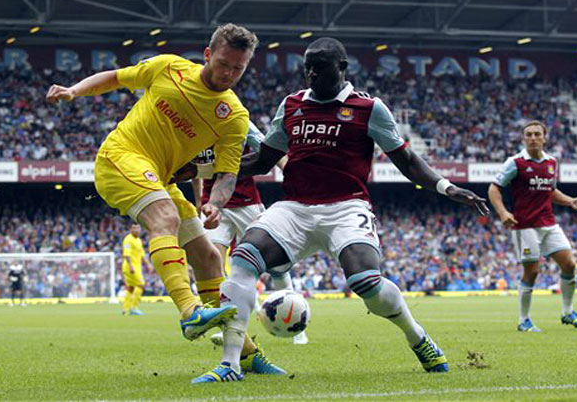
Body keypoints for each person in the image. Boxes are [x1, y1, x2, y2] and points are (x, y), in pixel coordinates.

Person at [191, 37, 490, 383]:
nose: (311, 73)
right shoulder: (291, 105)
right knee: (243, 260)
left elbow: (406, 160)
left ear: (342, 68)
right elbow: (263, 159)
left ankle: (417, 336)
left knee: (366, 283)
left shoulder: (368, 108)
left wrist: (446, 187)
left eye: (319, 66)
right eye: (307, 67)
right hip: (295, 208)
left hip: (346, 207)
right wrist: (202, 169)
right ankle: (230, 364)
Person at [46, 23, 258, 341]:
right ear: (207, 54)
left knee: (209, 256)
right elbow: (117, 77)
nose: (228, 74)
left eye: (237, 69)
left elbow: (227, 173)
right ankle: (190, 312)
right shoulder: (169, 67)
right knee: (165, 217)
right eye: (223, 64)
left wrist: (215, 203)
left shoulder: (234, 117)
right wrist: (74, 90)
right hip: (120, 157)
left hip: (159, 178)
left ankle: (243, 351)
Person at [191, 121, 308, 345]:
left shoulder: (240, 123)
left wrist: (293, 176)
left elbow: (269, 150)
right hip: (213, 207)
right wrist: (198, 199)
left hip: (247, 204)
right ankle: (231, 327)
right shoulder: (194, 127)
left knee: (275, 264)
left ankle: (296, 323)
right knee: (213, 264)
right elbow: (193, 167)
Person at [488, 120, 577, 332]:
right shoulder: (515, 162)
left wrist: (570, 201)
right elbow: (494, 189)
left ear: (545, 137)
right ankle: (524, 320)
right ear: (524, 138)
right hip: (525, 226)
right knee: (532, 271)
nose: (533, 138)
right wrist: (504, 212)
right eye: (529, 134)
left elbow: (550, 191)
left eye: (537, 134)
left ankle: (568, 312)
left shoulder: (552, 162)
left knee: (569, 264)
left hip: (549, 223)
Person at [121, 223, 152, 315]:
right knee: (141, 285)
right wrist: (130, 266)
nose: (137, 230)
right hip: (130, 267)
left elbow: (142, 254)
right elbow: (126, 254)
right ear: (130, 229)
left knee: (130, 288)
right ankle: (133, 307)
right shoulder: (128, 239)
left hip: (137, 267)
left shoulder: (138, 240)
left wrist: (148, 264)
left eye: (138, 228)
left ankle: (125, 309)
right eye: (134, 228)